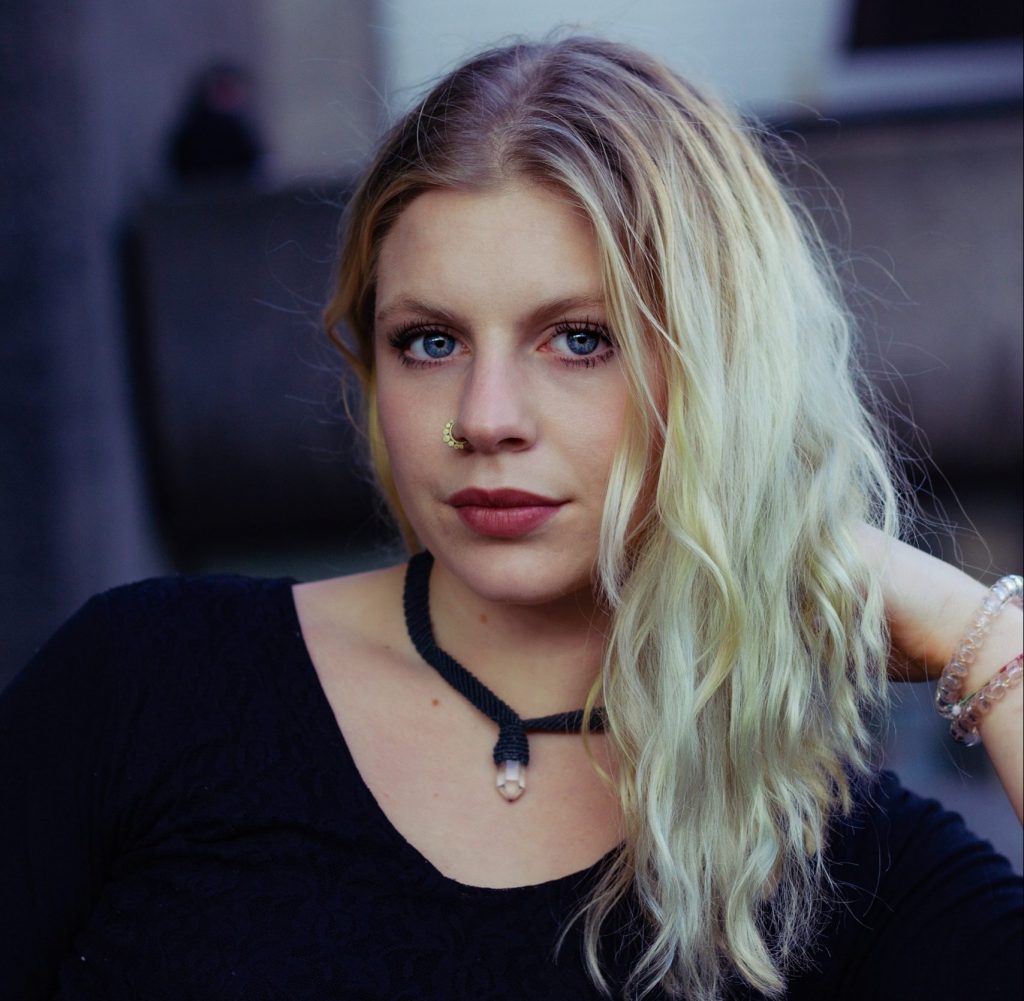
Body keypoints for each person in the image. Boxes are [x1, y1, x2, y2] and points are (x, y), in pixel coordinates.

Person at [2, 35, 1021, 1001]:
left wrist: (974, 634)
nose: (485, 418)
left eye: (578, 338)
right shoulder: (150, 683)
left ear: (722, 376)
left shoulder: (836, 865)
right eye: (429, 341)